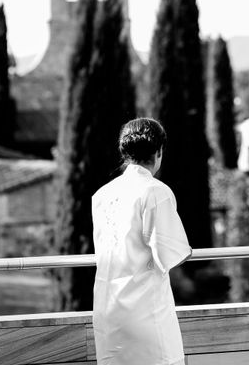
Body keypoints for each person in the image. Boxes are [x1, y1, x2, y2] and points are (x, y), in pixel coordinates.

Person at [92, 117, 192, 365]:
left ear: (124, 152)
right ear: (159, 152)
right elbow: (172, 252)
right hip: (145, 313)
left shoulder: (102, 195)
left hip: (108, 311)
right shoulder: (155, 191)